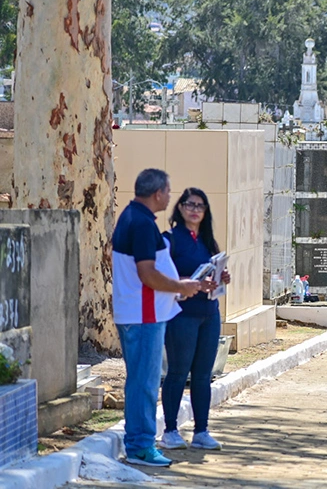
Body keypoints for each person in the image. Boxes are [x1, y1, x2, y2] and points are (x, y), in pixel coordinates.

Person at [112, 169, 203, 467]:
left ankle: (139, 442)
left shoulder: (134, 218)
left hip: (140, 312)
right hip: (142, 315)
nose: (169, 196)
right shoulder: (139, 222)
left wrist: (179, 287)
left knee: (140, 380)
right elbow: (147, 273)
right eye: (168, 191)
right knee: (145, 383)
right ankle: (140, 446)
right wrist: (180, 287)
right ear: (158, 194)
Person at [159, 188, 231, 451]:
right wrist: (194, 284)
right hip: (182, 315)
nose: (195, 209)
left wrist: (222, 278)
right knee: (177, 372)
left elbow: (213, 270)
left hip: (209, 314)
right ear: (180, 208)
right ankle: (169, 430)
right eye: (189, 204)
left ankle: (201, 431)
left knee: (203, 375)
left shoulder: (208, 241)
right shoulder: (169, 240)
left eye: (200, 206)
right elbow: (161, 277)